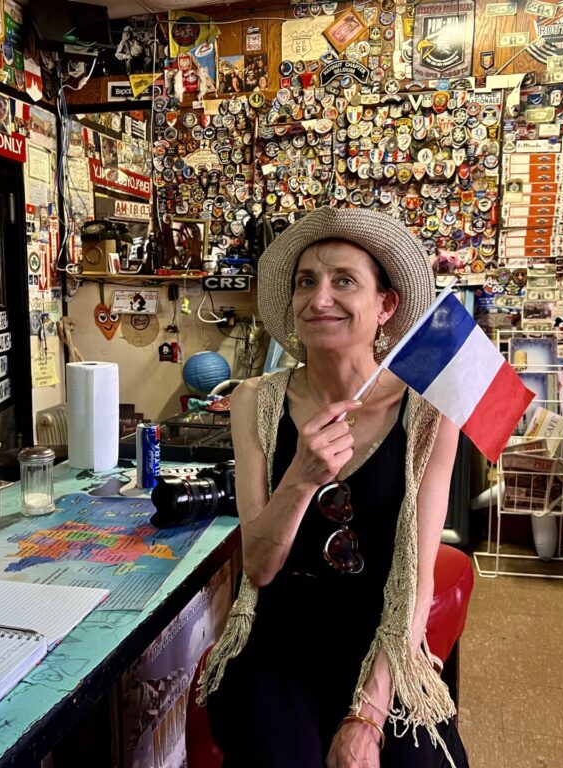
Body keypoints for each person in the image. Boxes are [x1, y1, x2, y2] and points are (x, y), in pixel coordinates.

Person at [200, 207, 469, 768]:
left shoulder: (428, 410)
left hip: (384, 636)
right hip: (278, 638)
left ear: (386, 305)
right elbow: (258, 568)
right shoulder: (254, 401)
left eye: (344, 281)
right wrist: (301, 475)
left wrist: (367, 717)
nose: (319, 298)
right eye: (306, 282)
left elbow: (416, 578)